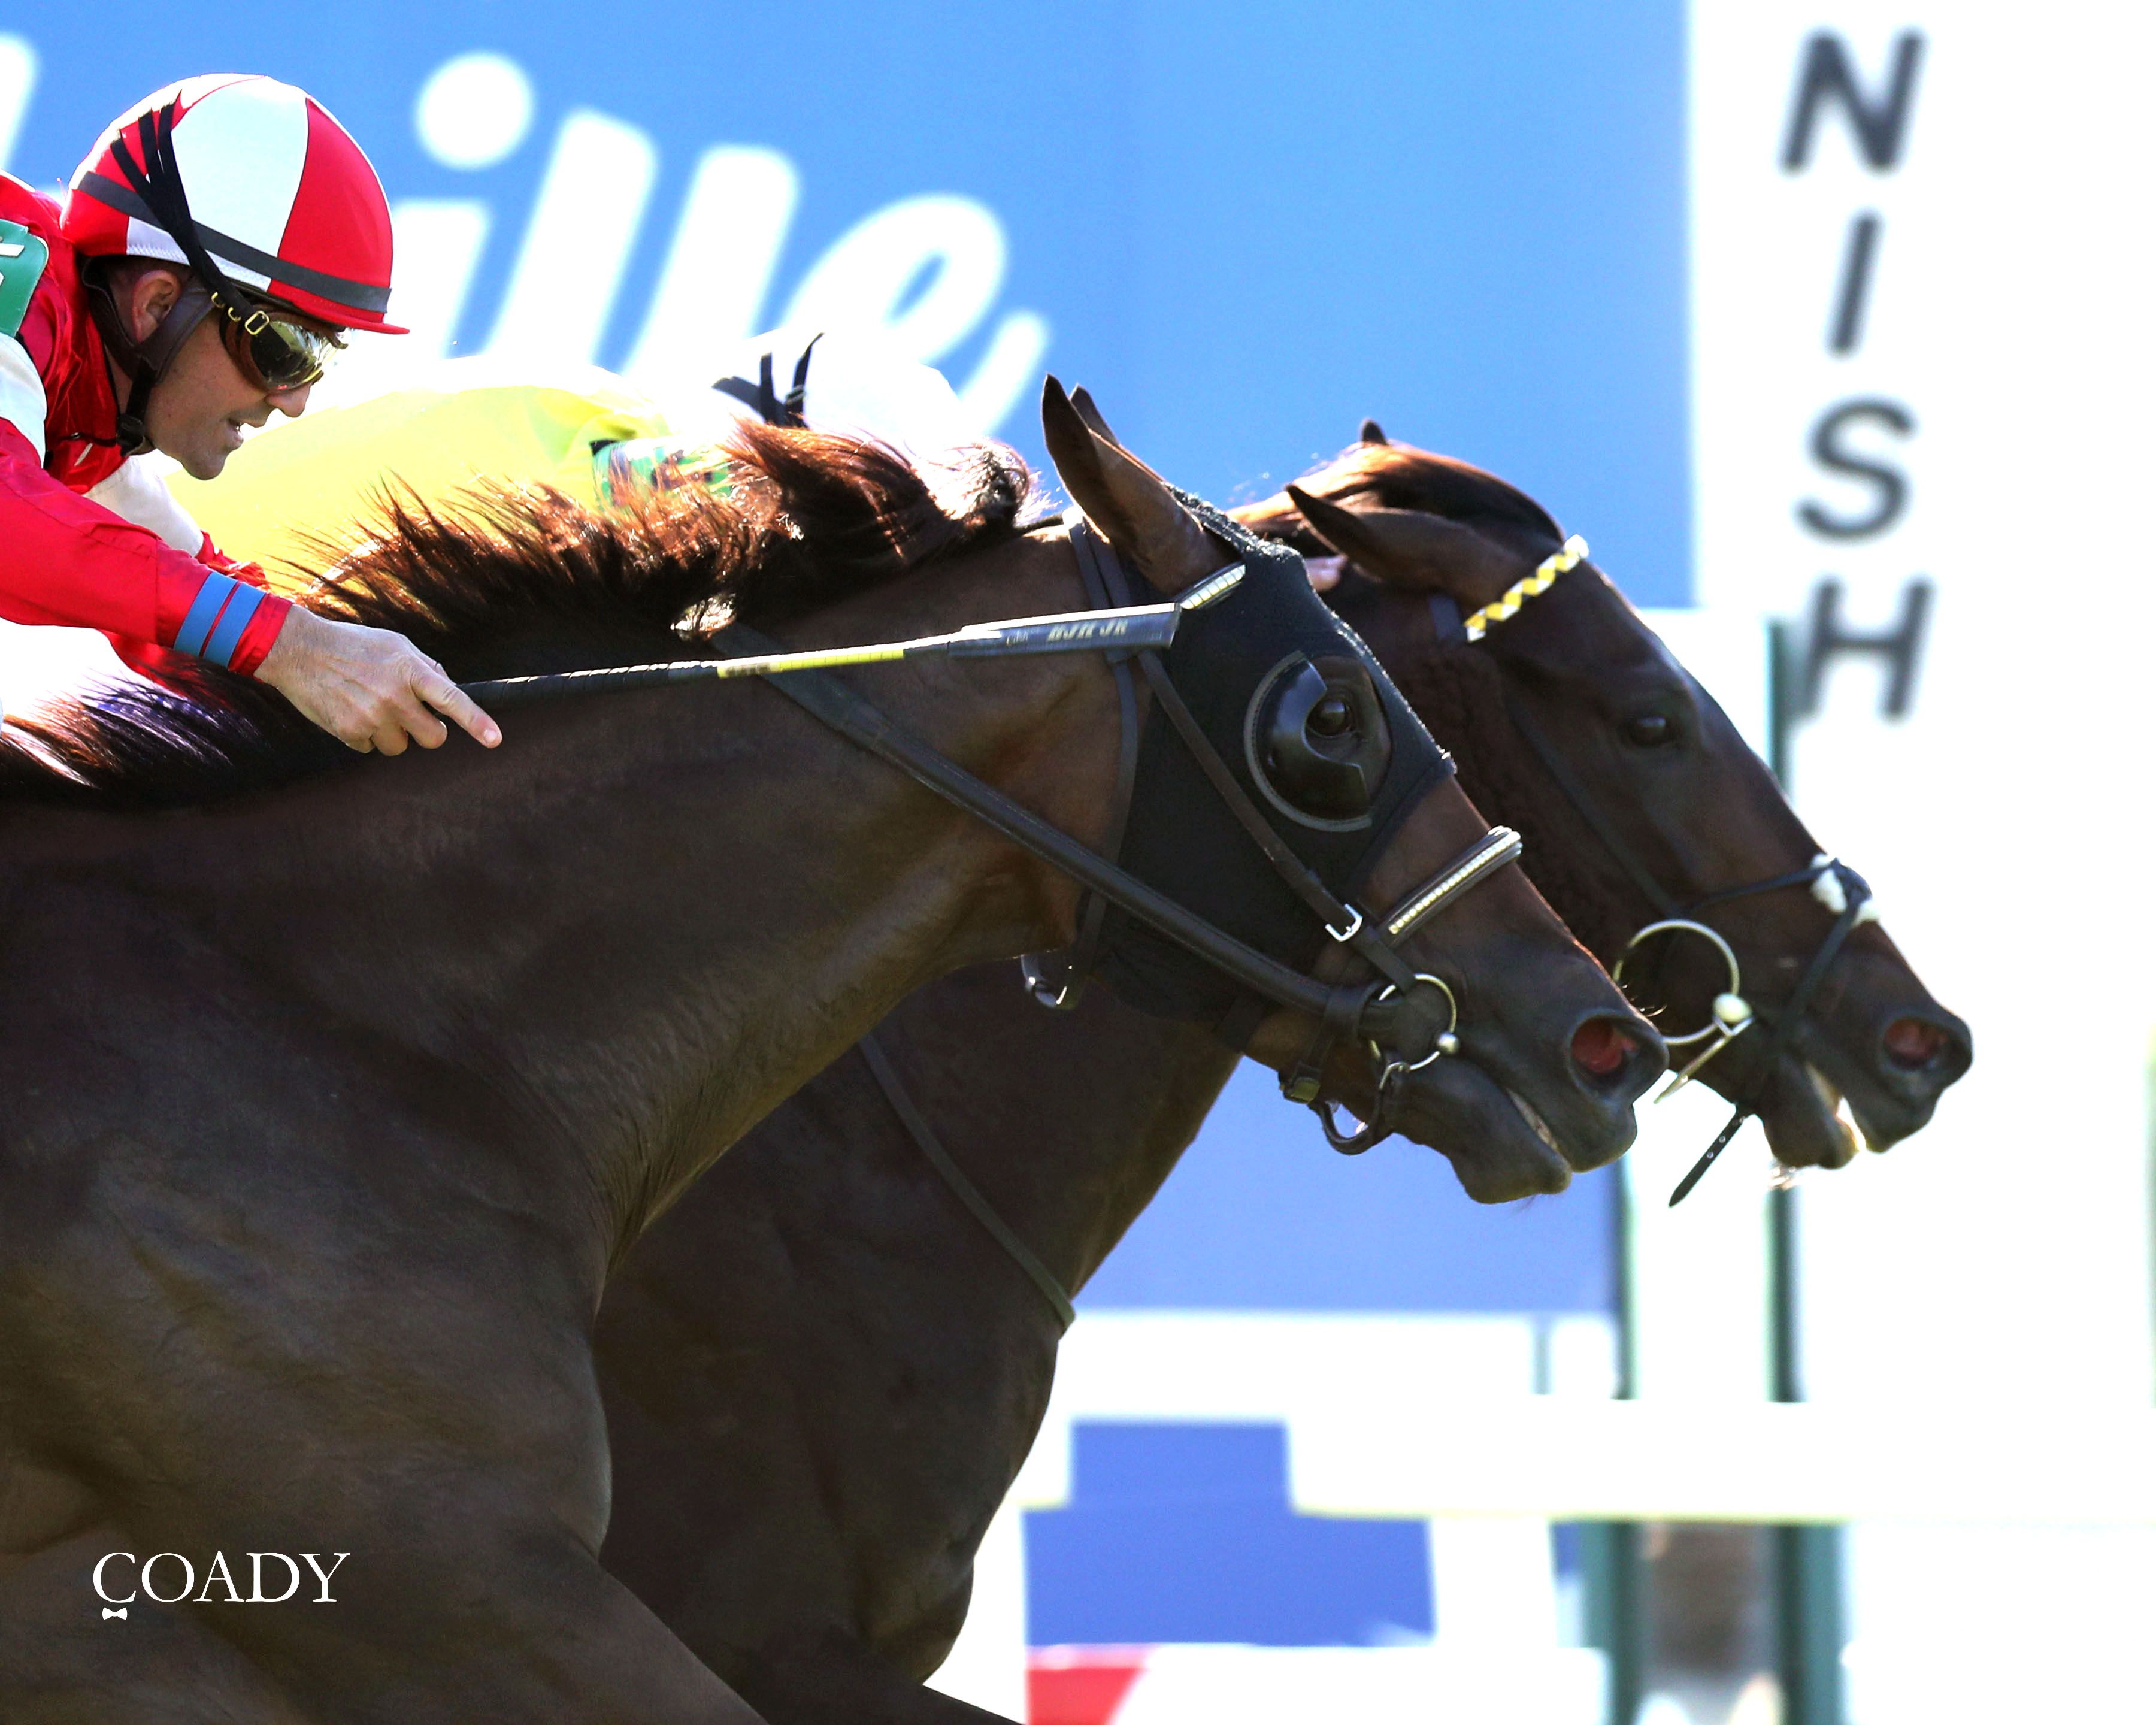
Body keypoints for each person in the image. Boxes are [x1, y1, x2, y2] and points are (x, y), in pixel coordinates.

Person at [0, 73, 498, 755]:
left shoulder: (84, 412)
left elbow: (203, 603)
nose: (295, 400)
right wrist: (289, 646)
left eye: (319, 359)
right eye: (283, 349)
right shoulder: (20, 301)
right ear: (155, 305)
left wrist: (338, 660)